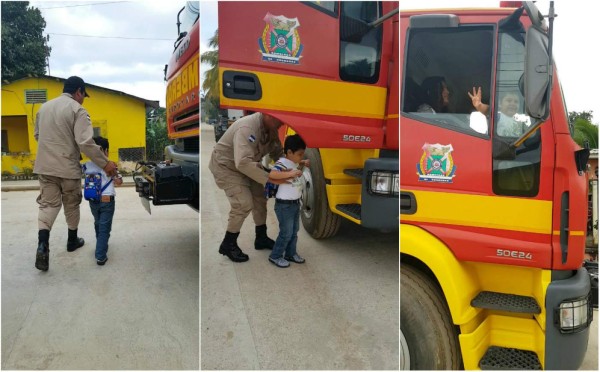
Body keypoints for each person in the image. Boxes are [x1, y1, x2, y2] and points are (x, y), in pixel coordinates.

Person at [33, 76, 118, 271]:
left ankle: (42, 244)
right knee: (71, 204)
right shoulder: (77, 110)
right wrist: (105, 164)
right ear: (78, 91)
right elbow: (86, 143)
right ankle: (72, 241)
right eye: (83, 95)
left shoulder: (43, 108)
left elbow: (38, 135)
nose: (83, 100)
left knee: (48, 204)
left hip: (45, 167)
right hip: (67, 168)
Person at [209, 112, 290, 263]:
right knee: (243, 203)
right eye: (279, 119)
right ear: (268, 115)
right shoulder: (247, 128)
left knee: (260, 198)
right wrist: (270, 180)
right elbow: (242, 163)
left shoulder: (271, 128)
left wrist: (289, 168)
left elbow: (277, 153)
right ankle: (228, 244)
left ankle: (261, 238)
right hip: (227, 166)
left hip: (248, 165)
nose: (282, 123)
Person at [268, 134, 308, 268]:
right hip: (284, 206)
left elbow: (296, 162)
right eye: (300, 154)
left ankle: (290, 253)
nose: (301, 157)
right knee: (286, 233)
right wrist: (291, 174)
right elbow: (273, 174)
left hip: (295, 204)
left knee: (294, 231)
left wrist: (303, 162)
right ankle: (275, 256)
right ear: (289, 152)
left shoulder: (293, 161)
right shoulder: (282, 163)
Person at [82, 136, 123, 265]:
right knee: (104, 227)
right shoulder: (111, 166)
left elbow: (77, 172)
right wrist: (116, 175)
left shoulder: (87, 165)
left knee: (98, 223)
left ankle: (101, 244)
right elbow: (119, 182)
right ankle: (100, 255)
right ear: (106, 151)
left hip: (93, 200)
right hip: (107, 200)